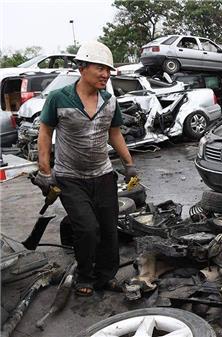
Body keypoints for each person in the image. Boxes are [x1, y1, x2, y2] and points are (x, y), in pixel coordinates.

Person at [34, 41, 136, 296]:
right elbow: (45, 133)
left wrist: (129, 164)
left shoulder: (109, 101)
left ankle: (106, 276)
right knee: (87, 228)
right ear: (82, 68)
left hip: (102, 175)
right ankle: (85, 276)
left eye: (108, 70)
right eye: (100, 68)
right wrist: (45, 171)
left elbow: (115, 134)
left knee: (109, 228)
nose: (105, 74)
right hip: (70, 177)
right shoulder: (59, 98)